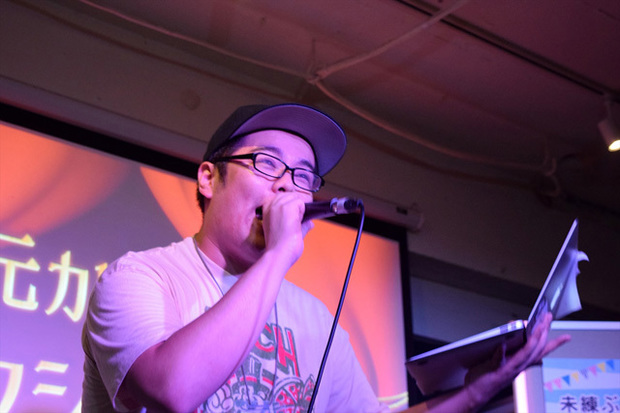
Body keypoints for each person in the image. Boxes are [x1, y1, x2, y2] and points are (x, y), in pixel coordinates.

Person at [81, 103, 569, 413]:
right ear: (209, 179)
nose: (287, 186)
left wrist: (479, 390)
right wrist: (278, 254)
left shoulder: (314, 320)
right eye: (266, 163)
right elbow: (173, 391)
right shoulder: (140, 278)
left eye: (303, 176)